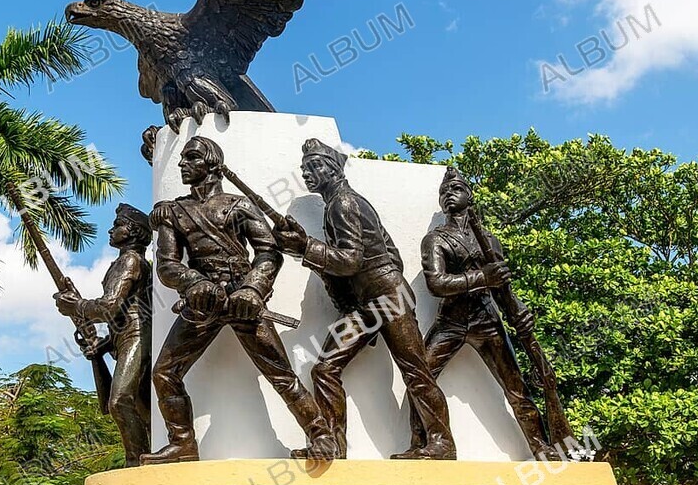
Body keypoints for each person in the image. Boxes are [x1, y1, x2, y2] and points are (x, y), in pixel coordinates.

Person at [141, 136, 335, 463]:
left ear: (212, 166)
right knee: (164, 373)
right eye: (183, 158)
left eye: (191, 158)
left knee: (281, 374)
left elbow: (268, 252)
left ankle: (322, 436)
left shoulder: (239, 206)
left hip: (243, 300)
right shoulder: (174, 212)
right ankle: (183, 444)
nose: (181, 164)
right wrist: (194, 282)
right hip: (202, 304)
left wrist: (253, 289)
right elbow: (167, 264)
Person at [273, 138, 455, 460]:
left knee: (415, 371)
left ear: (332, 169)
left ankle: (441, 443)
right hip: (373, 301)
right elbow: (390, 252)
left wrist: (306, 247)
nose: (307, 174)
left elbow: (350, 261)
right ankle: (332, 446)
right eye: (304, 169)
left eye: (314, 167)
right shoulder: (340, 205)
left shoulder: (343, 203)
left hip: (387, 297)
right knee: (325, 368)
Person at [396, 167, 557, 460]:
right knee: (420, 379)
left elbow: (502, 287)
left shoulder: (489, 240)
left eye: (456, 188)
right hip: (451, 321)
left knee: (516, 388)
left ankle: (543, 447)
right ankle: (427, 444)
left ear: (470, 196)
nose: (448, 194)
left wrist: (517, 311)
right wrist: (483, 277)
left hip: (487, 320)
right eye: (444, 191)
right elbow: (437, 284)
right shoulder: (436, 239)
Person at [54, 204, 153, 466]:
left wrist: (76, 306)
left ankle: (137, 462)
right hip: (125, 337)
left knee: (120, 400)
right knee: (145, 412)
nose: (111, 230)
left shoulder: (129, 261)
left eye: (118, 225)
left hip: (137, 336)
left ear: (132, 232)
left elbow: (110, 307)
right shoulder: (123, 262)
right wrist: (102, 345)